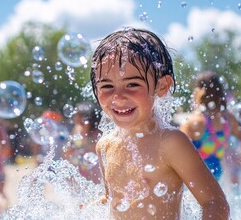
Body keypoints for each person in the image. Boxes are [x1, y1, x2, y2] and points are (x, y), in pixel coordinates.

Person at [90, 28, 229, 219]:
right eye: (107, 86)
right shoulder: (104, 146)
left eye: (132, 84)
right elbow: (111, 199)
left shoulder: (170, 142)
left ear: (162, 86)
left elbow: (214, 202)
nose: (118, 96)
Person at [180, 71, 241, 185]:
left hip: (196, 182)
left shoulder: (195, 122)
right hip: (219, 176)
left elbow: (177, 149)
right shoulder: (228, 119)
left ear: (198, 92)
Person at [62, 101, 102, 184]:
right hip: (79, 166)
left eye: (77, 114)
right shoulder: (76, 129)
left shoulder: (96, 133)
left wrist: (85, 131)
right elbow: (69, 150)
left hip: (92, 168)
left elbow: (96, 151)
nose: (74, 116)